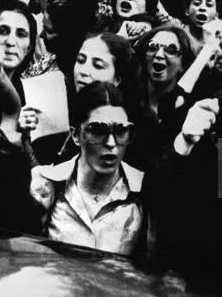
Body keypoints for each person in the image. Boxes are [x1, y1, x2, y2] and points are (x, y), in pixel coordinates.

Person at [30, 81, 149, 256]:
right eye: (98, 130)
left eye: (121, 130)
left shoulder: (143, 190)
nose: (111, 143)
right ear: (76, 135)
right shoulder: (46, 183)